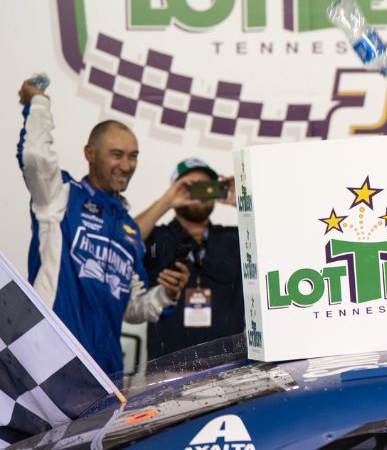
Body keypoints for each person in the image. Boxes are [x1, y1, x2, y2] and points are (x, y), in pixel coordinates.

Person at [17, 79, 189, 378]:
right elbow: (34, 156)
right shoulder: (60, 196)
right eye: (117, 154)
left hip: (105, 373)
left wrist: (166, 294)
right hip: (50, 361)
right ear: (90, 153)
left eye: (133, 156)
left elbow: (133, 307)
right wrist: (39, 102)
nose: (127, 165)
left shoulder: (128, 230)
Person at [133, 157, 242, 360]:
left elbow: (278, 245)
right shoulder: (154, 239)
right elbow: (121, 243)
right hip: (167, 369)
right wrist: (165, 202)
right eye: (189, 188)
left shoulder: (235, 239)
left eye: (206, 187)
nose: (198, 194)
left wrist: (243, 202)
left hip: (231, 367)